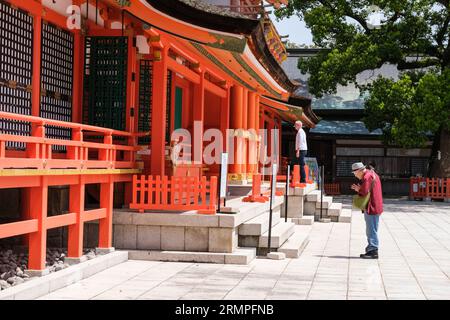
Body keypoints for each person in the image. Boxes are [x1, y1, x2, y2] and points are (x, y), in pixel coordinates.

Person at [351, 162, 383, 259]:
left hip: (371, 206)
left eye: (355, 173)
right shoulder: (372, 173)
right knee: (373, 228)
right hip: (376, 204)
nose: (355, 176)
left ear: (359, 170)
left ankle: (373, 250)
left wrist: (358, 189)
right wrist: (360, 188)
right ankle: (371, 248)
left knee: (371, 229)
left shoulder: (366, 177)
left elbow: (364, 192)